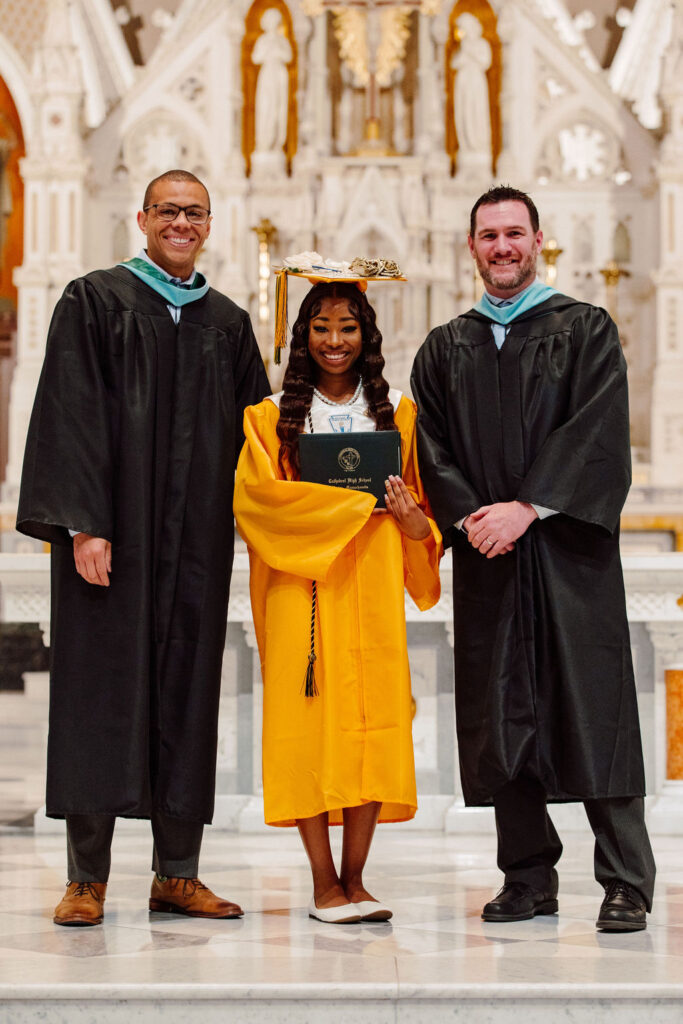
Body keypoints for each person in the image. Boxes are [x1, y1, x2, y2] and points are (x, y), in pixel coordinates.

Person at [17, 169, 269, 926]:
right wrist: (84, 522)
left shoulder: (224, 322)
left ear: (210, 223)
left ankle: (177, 873)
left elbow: (259, 434)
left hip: (193, 544)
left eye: (194, 213)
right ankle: (87, 877)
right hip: (111, 543)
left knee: (187, 696)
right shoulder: (94, 301)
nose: (180, 223)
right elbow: (69, 411)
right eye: (168, 211)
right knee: (100, 691)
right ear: (142, 217)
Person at [411, 185, 655, 932]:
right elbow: (430, 449)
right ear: (471, 247)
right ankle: (525, 877)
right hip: (488, 557)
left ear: (538, 240)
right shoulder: (445, 346)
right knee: (500, 713)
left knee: (593, 705)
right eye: (488, 236)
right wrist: (469, 517)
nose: (502, 247)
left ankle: (623, 882)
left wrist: (528, 507)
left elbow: (598, 433)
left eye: (513, 233)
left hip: (568, 554)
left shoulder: (582, 329)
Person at [234, 279, 441, 924]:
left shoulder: (398, 416)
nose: (334, 341)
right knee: (308, 729)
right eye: (321, 327)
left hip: (374, 587)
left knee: (372, 727)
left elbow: (421, 516)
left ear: (367, 336)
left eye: (347, 327)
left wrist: (411, 521)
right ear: (303, 336)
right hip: (305, 591)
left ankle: (357, 878)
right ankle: (323, 882)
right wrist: (352, 505)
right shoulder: (269, 419)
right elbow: (259, 504)